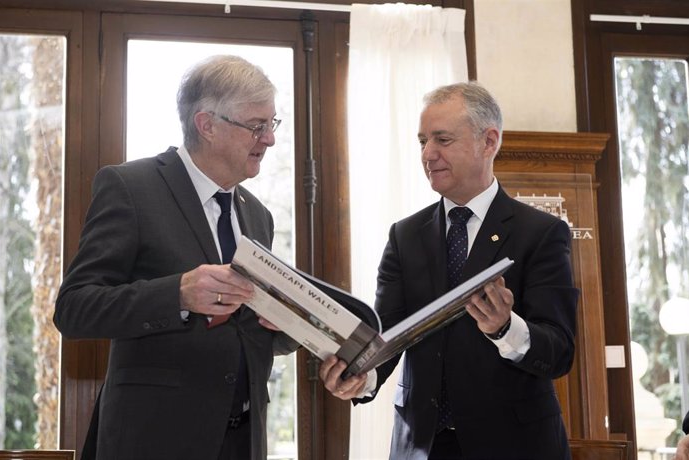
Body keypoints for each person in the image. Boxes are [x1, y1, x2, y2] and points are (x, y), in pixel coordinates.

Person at [54, 55, 298, 460]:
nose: (269, 140)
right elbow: (74, 308)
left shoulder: (258, 215)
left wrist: (290, 322)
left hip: (243, 441)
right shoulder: (130, 188)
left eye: (271, 125)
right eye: (257, 126)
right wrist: (178, 294)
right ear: (207, 125)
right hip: (152, 440)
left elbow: (250, 335)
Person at [319, 82, 579, 459]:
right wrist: (361, 377)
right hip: (421, 447)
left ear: (489, 142)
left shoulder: (540, 233)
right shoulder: (404, 235)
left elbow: (560, 352)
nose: (428, 154)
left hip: (514, 446)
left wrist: (505, 327)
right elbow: (387, 335)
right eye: (422, 141)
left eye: (442, 139)